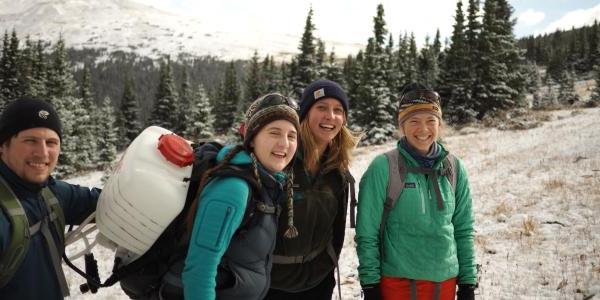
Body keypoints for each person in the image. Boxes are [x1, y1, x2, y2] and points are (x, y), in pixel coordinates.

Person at [355, 83, 477, 300]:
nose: (423, 129)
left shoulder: (454, 168)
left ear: (439, 124)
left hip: (445, 283)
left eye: (431, 120)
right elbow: (367, 233)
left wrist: (467, 283)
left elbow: (463, 229)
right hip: (397, 283)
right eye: (414, 121)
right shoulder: (383, 168)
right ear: (401, 125)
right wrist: (370, 284)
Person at [180, 93, 300, 299]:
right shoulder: (234, 188)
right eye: (274, 132)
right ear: (252, 139)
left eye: (291, 135)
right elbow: (199, 273)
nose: (284, 144)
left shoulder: (267, 183)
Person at [265, 79, 360, 299]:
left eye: (338, 110)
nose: (331, 116)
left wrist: (327, 270)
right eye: (321, 107)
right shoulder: (281, 159)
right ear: (305, 113)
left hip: (317, 284)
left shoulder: (337, 172)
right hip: (269, 285)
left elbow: (335, 233)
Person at [0, 97, 101, 300]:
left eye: (51, 142)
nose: (43, 152)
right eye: (30, 141)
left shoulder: (50, 193)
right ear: (3, 146)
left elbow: (107, 202)